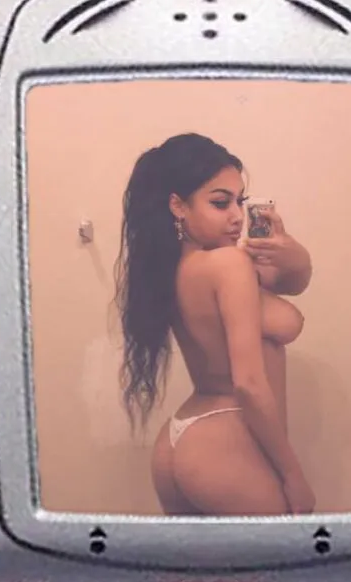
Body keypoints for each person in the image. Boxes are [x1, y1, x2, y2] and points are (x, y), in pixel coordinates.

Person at [113, 132, 315, 516]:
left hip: (179, 441)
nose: (237, 216)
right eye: (220, 203)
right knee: (280, 553)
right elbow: (249, 384)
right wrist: (293, 475)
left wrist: (292, 252)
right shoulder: (228, 265)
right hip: (224, 438)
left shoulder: (175, 269)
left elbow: (291, 282)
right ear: (178, 206)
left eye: (240, 201)